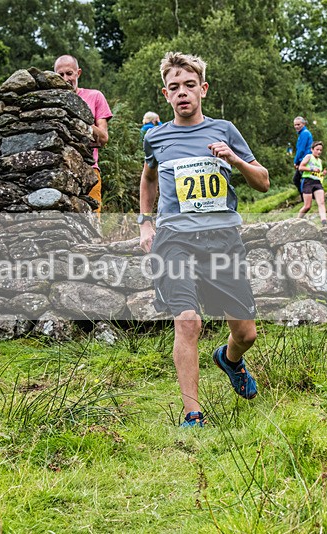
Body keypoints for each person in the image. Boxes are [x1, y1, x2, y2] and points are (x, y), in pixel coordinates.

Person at [138, 51, 270, 428]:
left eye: (189, 86)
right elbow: (148, 178)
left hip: (222, 239)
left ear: (203, 90)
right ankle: (192, 415)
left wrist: (236, 160)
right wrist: (145, 222)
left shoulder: (224, 130)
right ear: (165, 95)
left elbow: (263, 181)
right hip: (175, 240)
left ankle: (229, 359)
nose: (182, 93)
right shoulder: (156, 137)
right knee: (187, 321)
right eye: (174, 87)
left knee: (246, 333)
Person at [54, 55, 113, 212]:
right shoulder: (50, 101)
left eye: (69, 73)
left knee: (92, 221)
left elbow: (104, 138)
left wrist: (80, 121)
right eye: (60, 75)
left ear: (78, 73)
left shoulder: (94, 96)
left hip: (89, 170)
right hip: (58, 169)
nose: (66, 78)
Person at [296, 141, 327, 223]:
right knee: (307, 206)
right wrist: (312, 169)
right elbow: (300, 167)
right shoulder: (309, 156)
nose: (319, 152)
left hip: (317, 182)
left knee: (321, 202)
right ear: (312, 149)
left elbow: (317, 173)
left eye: (320, 150)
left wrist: (322, 174)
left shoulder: (320, 161)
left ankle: (324, 222)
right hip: (308, 181)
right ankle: (296, 221)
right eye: (317, 149)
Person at [292, 116, 313, 196]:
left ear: (303, 124)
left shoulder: (304, 134)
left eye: (298, 124)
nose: (296, 126)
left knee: (298, 179)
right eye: (295, 125)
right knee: (301, 178)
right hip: (305, 158)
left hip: (304, 159)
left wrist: (296, 161)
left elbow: (301, 149)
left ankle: (304, 196)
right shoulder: (304, 133)